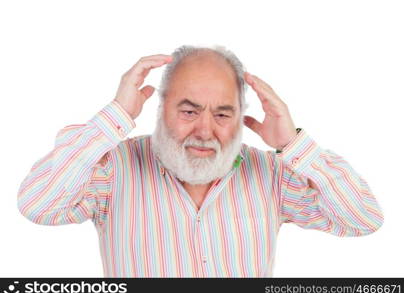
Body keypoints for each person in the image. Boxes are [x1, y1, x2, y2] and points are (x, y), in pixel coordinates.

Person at [17, 45, 384, 277]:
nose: (205, 130)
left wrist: (293, 144)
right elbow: (38, 205)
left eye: (223, 114)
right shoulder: (113, 168)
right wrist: (116, 116)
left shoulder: (271, 174)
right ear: (161, 108)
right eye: (189, 110)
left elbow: (362, 219)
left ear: (241, 116)